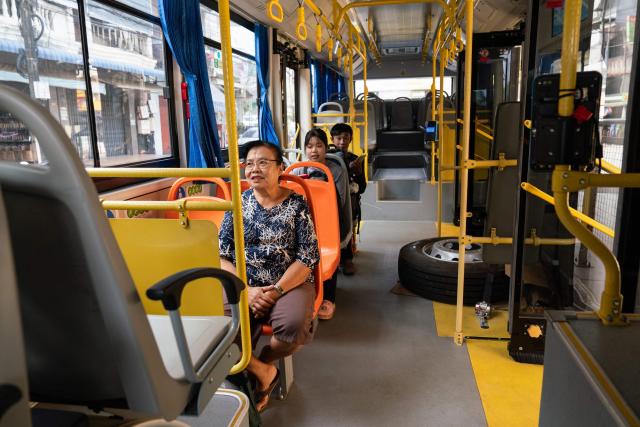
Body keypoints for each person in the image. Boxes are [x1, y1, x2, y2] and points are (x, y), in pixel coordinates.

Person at [218, 140, 320, 412]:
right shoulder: (237, 205)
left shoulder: (297, 204)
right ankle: (264, 373)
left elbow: (307, 257)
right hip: (243, 282)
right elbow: (223, 255)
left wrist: (275, 290)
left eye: (263, 162)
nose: (254, 169)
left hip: (288, 281)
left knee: (294, 326)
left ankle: (264, 358)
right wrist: (246, 290)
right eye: (249, 163)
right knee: (217, 335)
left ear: (280, 168)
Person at [291, 128, 348, 320]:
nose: (314, 150)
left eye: (319, 146)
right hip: (303, 218)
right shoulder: (297, 170)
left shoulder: (335, 170)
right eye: (309, 146)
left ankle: (328, 297)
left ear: (326, 147)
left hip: (328, 217)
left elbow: (339, 199)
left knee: (327, 251)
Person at [330, 123, 367, 275]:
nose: (342, 142)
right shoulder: (328, 158)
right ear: (332, 139)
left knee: (347, 217)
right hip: (331, 198)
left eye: (346, 138)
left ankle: (347, 259)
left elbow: (362, 188)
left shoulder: (355, 159)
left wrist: (357, 173)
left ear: (351, 139)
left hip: (349, 201)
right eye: (338, 138)